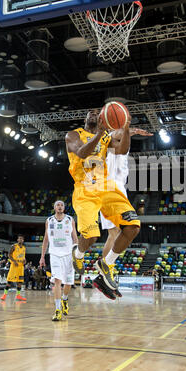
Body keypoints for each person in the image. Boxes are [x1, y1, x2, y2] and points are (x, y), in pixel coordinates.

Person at [65, 108, 141, 299]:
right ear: (85, 118)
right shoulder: (74, 135)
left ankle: (106, 264)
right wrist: (100, 133)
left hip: (106, 186)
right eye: (90, 113)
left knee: (133, 226)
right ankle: (79, 253)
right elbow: (82, 153)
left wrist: (126, 127)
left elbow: (122, 150)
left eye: (97, 113)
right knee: (91, 236)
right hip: (84, 189)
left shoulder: (106, 137)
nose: (94, 114)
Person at [98, 126, 152, 299]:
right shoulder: (111, 144)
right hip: (110, 189)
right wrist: (129, 128)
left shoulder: (119, 147)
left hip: (117, 189)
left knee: (116, 233)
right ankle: (105, 272)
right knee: (117, 232)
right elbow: (117, 134)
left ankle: (105, 275)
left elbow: (121, 135)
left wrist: (132, 131)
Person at [39, 200, 78, 321]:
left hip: (68, 254)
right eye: (58, 205)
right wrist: (42, 256)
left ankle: (64, 299)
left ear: (64, 208)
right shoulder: (49, 220)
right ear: (54, 207)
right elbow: (46, 239)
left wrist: (77, 254)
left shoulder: (70, 219)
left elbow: (75, 238)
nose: (60, 207)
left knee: (68, 282)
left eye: (62, 205)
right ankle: (57, 310)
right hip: (55, 254)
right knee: (57, 281)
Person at [1, 234, 27, 302]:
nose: (20, 240)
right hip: (14, 266)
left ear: (23, 240)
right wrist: (13, 261)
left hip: (21, 266)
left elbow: (23, 256)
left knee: (20, 282)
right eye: (19, 238)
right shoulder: (13, 246)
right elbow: (9, 255)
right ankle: (4, 295)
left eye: (22, 239)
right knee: (9, 280)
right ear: (17, 239)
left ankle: (18, 295)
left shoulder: (24, 248)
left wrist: (25, 260)